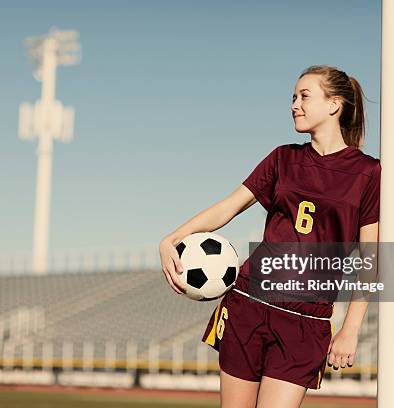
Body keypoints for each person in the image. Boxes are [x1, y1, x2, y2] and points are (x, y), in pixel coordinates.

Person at [159, 65, 381, 408]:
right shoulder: (283, 158)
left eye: (304, 96)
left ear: (334, 104)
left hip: (307, 320)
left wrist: (350, 330)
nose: (295, 104)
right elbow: (228, 207)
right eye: (293, 97)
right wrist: (171, 238)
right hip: (248, 304)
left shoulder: (368, 172)